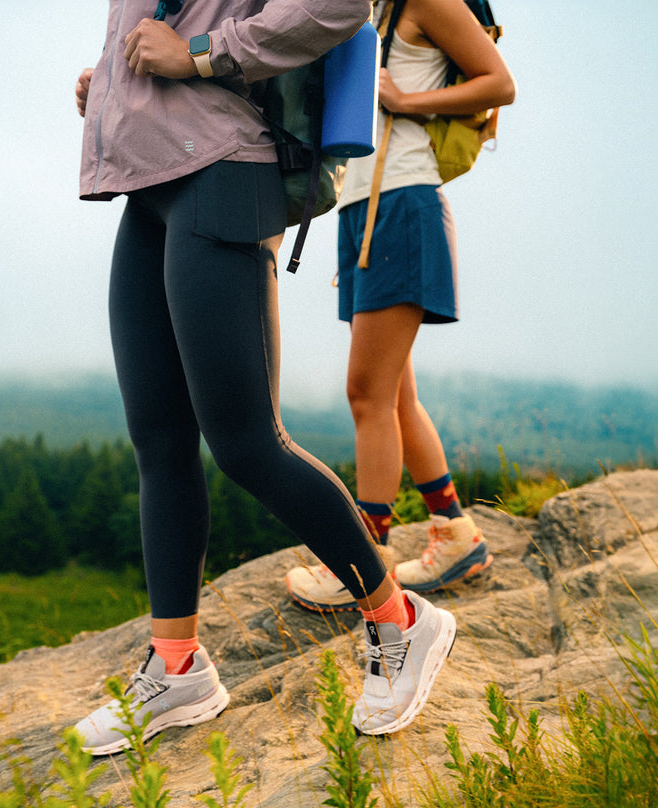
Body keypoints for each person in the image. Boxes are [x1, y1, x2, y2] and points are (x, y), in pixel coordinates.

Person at [72, 0, 457, 751]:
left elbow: (337, 5)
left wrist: (200, 54)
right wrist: (114, 91)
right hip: (154, 180)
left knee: (247, 441)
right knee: (159, 437)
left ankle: (401, 622)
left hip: (224, 169)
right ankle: (178, 666)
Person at [286, 0, 516, 611]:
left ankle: (362, 565)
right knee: (394, 396)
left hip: (403, 203)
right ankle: (455, 533)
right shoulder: (372, 11)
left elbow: (500, 83)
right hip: (364, 209)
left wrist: (406, 102)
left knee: (366, 393)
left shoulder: (426, 1)